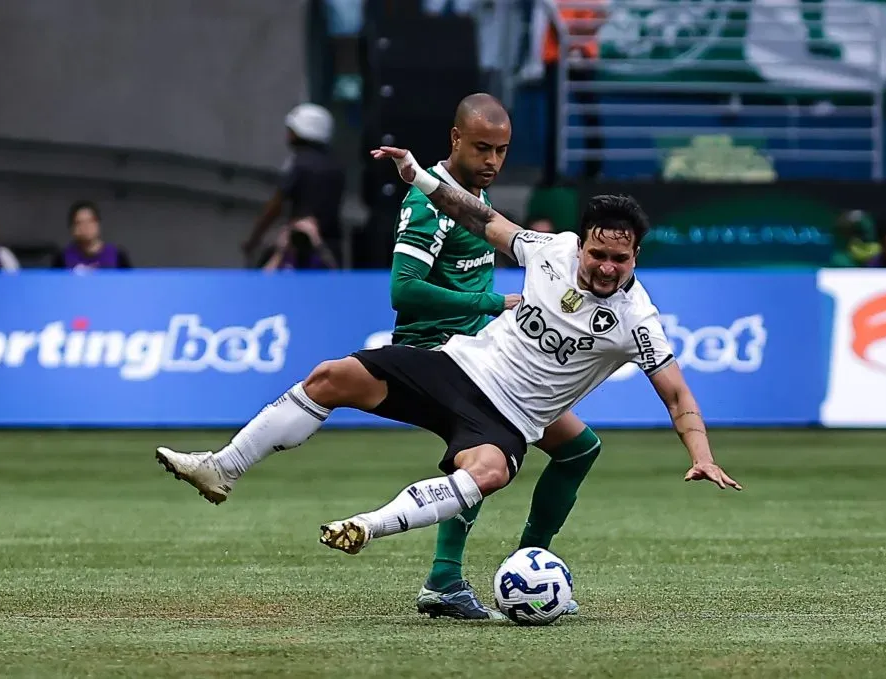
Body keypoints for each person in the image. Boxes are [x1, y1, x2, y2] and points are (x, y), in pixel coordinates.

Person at [155, 147, 740, 619]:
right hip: (458, 367)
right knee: (332, 377)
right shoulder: (550, 252)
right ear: (581, 242)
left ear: (636, 257)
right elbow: (484, 219)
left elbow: (677, 394)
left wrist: (702, 455)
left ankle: (369, 527)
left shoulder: (638, 320)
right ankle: (222, 468)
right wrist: (422, 180)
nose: (607, 268)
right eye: (597, 254)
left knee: (487, 472)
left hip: (508, 421)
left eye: (621, 259)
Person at [386, 93, 604, 621]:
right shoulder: (428, 205)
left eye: (502, 151)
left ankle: (527, 563)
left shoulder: (469, 199)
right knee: (489, 447)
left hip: (478, 345)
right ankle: (445, 579)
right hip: (439, 350)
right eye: (482, 148)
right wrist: (494, 302)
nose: (492, 161)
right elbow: (404, 290)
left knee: (578, 449)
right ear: (455, 139)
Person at [243, 104, 346, 267]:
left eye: (291, 130)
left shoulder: (297, 163)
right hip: (330, 249)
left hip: (298, 251)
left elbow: (276, 205)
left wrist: (254, 239)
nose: (288, 135)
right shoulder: (337, 166)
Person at [51, 201, 132, 270]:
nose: (86, 227)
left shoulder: (118, 255)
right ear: (72, 228)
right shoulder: (63, 257)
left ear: (98, 224)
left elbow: (130, 284)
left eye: (90, 221)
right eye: (79, 223)